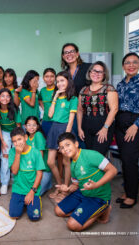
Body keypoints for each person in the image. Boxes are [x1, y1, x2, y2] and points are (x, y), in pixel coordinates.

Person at [55, 132, 117, 231]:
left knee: (72, 225)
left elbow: (113, 170)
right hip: (83, 193)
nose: (65, 149)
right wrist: (67, 189)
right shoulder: (72, 165)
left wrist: (96, 185)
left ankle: (104, 210)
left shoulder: (91, 155)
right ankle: (84, 212)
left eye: (67, 145)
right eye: (61, 148)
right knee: (58, 211)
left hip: (98, 197)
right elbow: (76, 185)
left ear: (76, 144)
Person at [46, 71, 78, 201]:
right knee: (50, 161)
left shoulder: (73, 99)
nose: (59, 83)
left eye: (62, 81)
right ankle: (59, 185)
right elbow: (49, 115)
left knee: (66, 161)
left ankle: (65, 188)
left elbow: (71, 120)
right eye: (58, 81)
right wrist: (55, 97)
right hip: (54, 128)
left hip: (65, 130)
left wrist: (66, 138)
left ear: (68, 81)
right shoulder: (57, 96)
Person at [115, 52, 139, 209]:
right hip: (120, 123)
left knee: (130, 159)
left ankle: (132, 196)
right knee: (124, 158)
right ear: (123, 66)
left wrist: (136, 125)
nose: (131, 65)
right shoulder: (120, 84)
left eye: (135, 62)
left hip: (134, 124)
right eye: (128, 62)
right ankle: (127, 191)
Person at [77, 61, 118, 155]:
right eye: (94, 71)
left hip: (103, 126)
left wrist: (105, 128)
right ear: (89, 72)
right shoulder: (83, 90)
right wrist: (79, 128)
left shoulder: (109, 89)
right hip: (86, 127)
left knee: (98, 156)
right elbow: (79, 110)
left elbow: (114, 109)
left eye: (100, 72)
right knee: (90, 156)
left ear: (104, 75)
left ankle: (108, 170)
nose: (96, 74)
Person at [8, 127, 45, 221]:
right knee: (14, 215)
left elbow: (40, 174)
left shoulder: (35, 152)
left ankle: (28, 201)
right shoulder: (12, 152)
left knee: (35, 217)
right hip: (18, 189)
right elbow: (14, 172)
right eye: (14, 141)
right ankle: (22, 203)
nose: (17, 143)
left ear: (25, 137)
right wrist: (18, 154)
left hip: (32, 189)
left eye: (19, 139)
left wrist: (32, 192)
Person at [0, 88, 21, 194]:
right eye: (2, 96)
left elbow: (18, 126)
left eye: (7, 96)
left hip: (16, 132)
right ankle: (4, 183)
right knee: (4, 155)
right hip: (4, 133)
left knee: (16, 155)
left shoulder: (14, 109)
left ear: (10, 98)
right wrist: (2, 141)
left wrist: (17, 141)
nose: (5, 98)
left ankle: (16, 180)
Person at [25, 116, 52, 196]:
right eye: (29, 125)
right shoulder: (28, 138)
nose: (31, 127)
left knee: (35, 194)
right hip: (34, 169)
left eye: (34, 125)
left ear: (38, 126)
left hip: (43, 170)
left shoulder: (38, 135)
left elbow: (40, 157)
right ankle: (48, 183)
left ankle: (47, 182)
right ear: (25, 126)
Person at [39, 68, 56, 136]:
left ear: (55, 77)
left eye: (52, 76)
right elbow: (39, 99)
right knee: (46, 141)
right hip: (46, 120)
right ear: (43, 78)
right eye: (47, 76)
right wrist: (44, 107)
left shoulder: (58, 89)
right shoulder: (42, 90)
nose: (49, 79)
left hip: (56, 121)